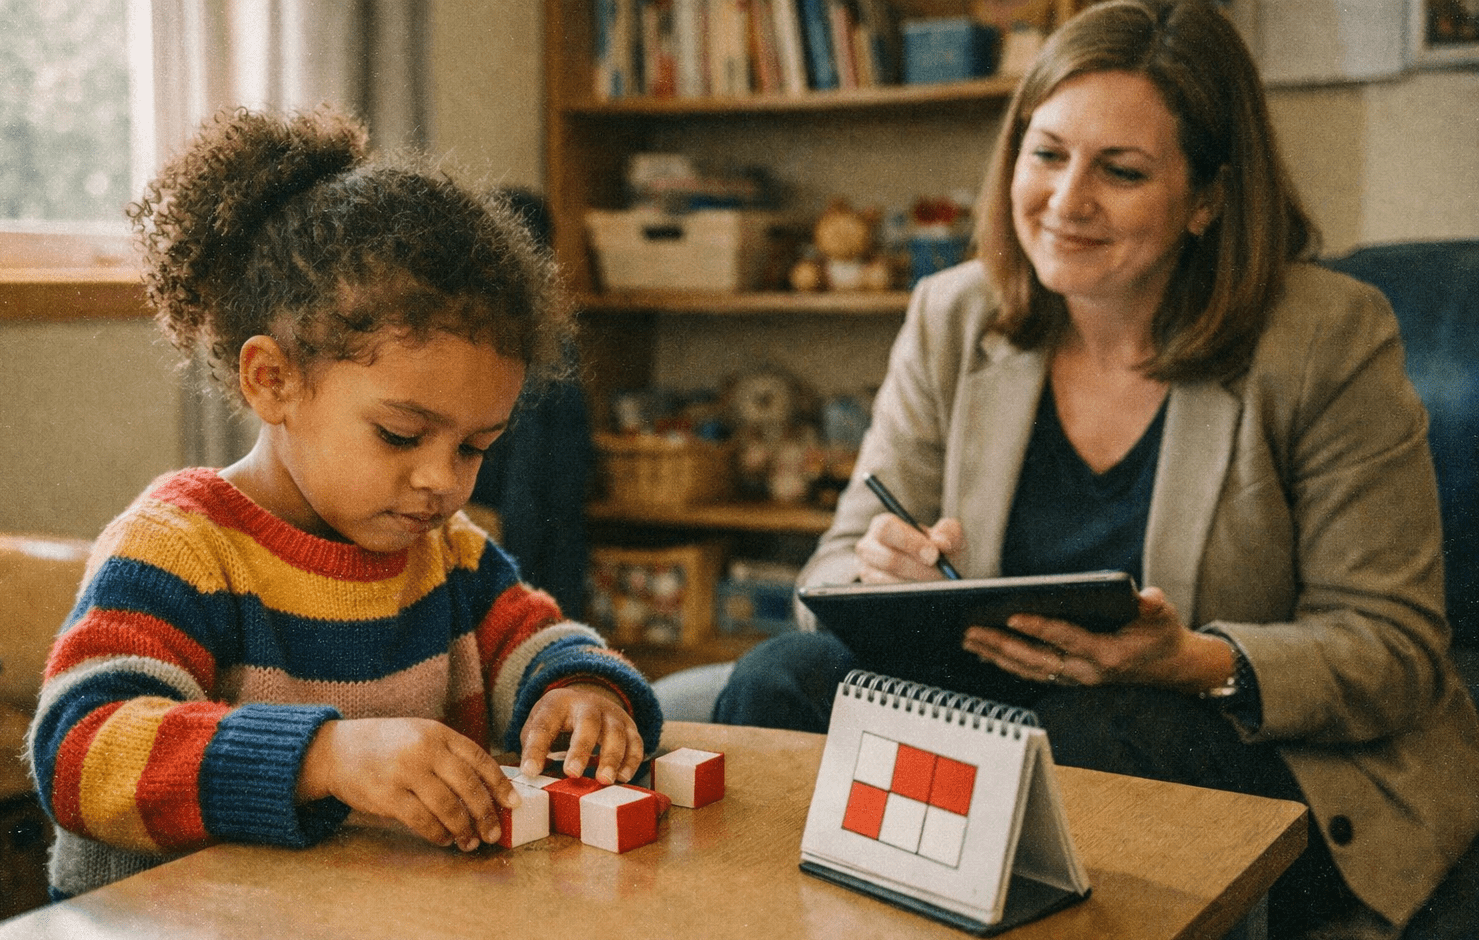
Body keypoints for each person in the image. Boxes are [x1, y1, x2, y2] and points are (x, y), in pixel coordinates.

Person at [713, 1, 1479, 936]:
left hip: (1232, 743)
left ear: (1206, 199)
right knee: (775, 683)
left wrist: (1193, 661)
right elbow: (823, 577)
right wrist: (877, 577)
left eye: (1119, 171)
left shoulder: (1325, 337)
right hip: (1006, 717)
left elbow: (1393, 648)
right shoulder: (953, 314)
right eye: (1045, 154)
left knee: (1088, 743)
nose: (1065, 200)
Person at [27, 106, 662, 900]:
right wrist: (325, 758)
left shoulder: (449, 554)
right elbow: (82, 754)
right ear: (273, 380)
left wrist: (582, 693)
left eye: (474, 448)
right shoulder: (180, 548)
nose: (442, 481)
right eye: (402, 435)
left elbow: (542, 640)